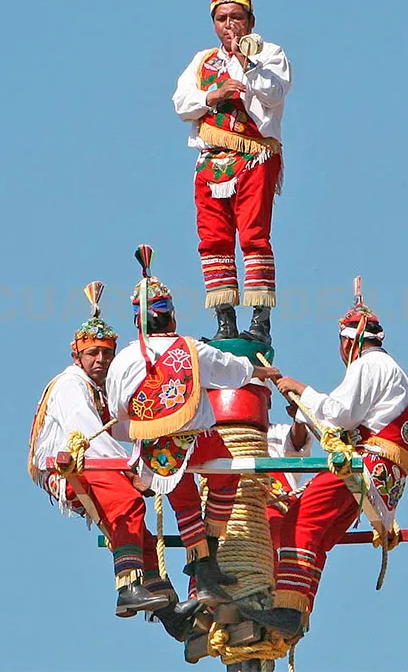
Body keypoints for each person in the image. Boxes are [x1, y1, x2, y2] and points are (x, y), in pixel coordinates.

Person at [106, 245, 281, 606]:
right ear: (170, 318)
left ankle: (201, 565)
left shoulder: (122, 362)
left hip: (155, 449)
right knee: (227, 475)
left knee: (183, 503)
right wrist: (261, 371)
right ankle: (207, 559)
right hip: (197, 439)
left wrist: (140, 441)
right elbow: (229, 369)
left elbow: (117, 415)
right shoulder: (189, 349)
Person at [240, 289, 408, 638]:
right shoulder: (390, 370)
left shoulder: (371, 365)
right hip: (382, 477)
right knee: (318, 538)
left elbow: (338, 414)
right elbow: (347, 422)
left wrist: (301, 389)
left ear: (346, 342)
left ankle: (289, 609)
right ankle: (297, 609)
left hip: (363, 468)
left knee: (298, 520)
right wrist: (306, 414)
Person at [28, 282, 196, 639]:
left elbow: (116, 432)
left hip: (87, 462)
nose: (101, 360)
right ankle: (126, 591)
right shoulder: (71, 386)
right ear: (77, 356)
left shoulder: (99, 390)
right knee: (128, 503)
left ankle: (172, 615)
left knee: (138, 534)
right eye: (93, 354)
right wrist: (136, 470)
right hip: (73, 465)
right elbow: (89, 436)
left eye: (106, 353)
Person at [172, 0, 292, 345]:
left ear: (250, 20)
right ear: (214, 23)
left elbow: (274, 93)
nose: (229, 25)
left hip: (254, 154)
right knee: (213, 239)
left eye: (236, 17)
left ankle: (261, 321)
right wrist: (213, 95)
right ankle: (224, 321)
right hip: (211, 160)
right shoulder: (202, 61)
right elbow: (181, 103)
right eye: (222, 18)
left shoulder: (270, 53)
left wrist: (245, 63)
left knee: (255, 236)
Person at [266, 414, 313, 571]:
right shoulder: (216, 433)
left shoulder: (280, 432)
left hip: (275, 510)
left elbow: (296, 442)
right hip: (225, 510)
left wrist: (299, 416)